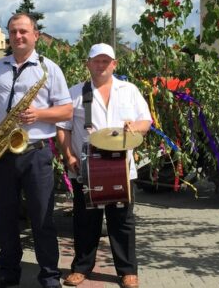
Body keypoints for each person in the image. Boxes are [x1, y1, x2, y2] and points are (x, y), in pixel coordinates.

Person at [0, 12, 72, 288]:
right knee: (4, 217)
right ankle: (8, 273)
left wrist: (40, 114)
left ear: (35, 35)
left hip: (36, 152)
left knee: (42, 217)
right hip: (2, 152)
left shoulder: (49, 69)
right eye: (13, 31)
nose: (18, 36)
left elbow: (67, 109)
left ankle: (49, 276)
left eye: (23, 31)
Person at [56, 43, 151, 288]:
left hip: (120, 166)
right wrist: (69, 157)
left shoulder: (129, 90)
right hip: (86, 168)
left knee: (122, 221)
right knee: (86, 220)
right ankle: (81, 268)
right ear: (88, 64)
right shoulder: (75, 93)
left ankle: (127, 271)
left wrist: (135, 127)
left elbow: (146, 120)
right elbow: (63, 129)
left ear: (114, 64)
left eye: (106, 61)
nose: (101, 65)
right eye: (96, 61)